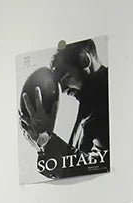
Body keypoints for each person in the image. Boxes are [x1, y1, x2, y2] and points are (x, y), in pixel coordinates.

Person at [19, 38, 110, 180]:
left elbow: (98, 168)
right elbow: (76, 170)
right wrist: (42, 144)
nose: (63, 90)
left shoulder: (108, 95)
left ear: (84, 60)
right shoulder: (89, 102)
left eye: (65, 78)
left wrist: (47, 141)